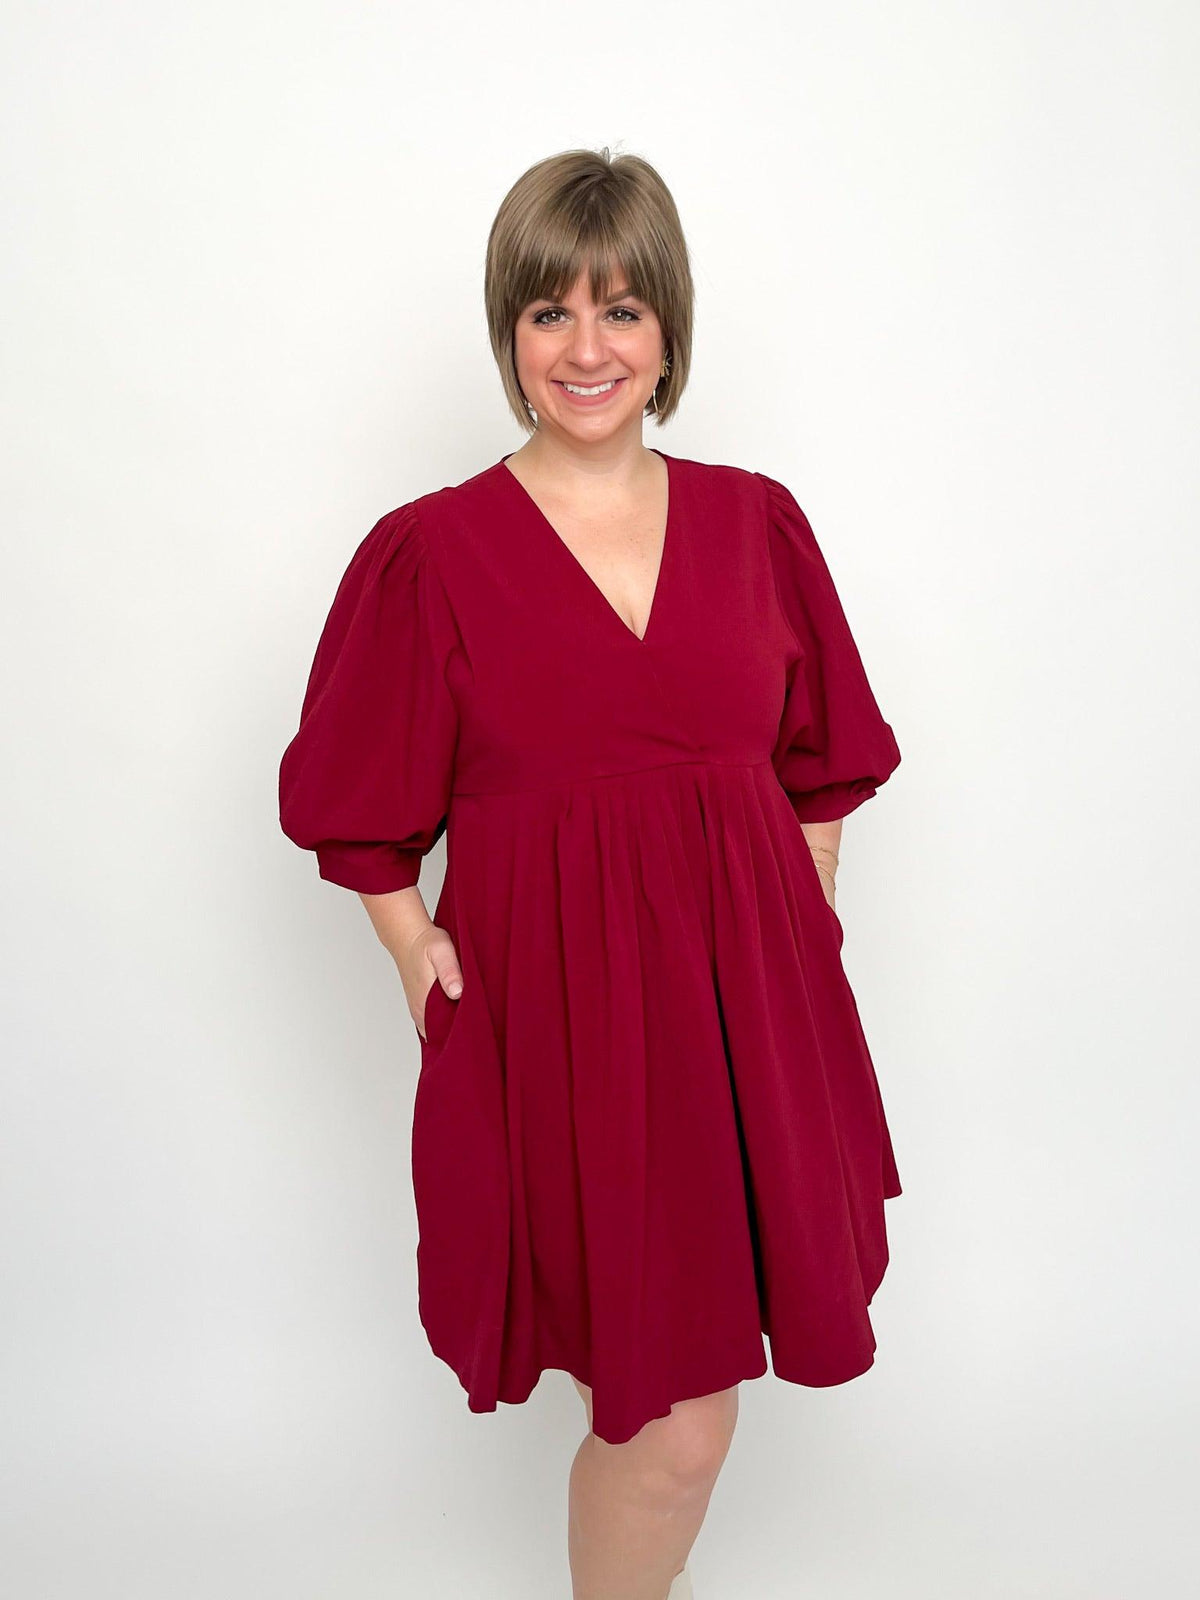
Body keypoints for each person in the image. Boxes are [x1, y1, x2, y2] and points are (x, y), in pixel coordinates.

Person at [278, 145, 903, 1600]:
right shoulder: (431, 555)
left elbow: (824, 752)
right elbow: (357, 799)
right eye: (550, 312)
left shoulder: (756, 522)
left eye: (621, 309)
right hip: (556, 1028)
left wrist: (806, 896)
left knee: (669, 1417)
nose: (587, 349)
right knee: (664, 1421)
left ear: (668, 326)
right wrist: (410, 945)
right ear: (509, 332)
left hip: (745, 1023)